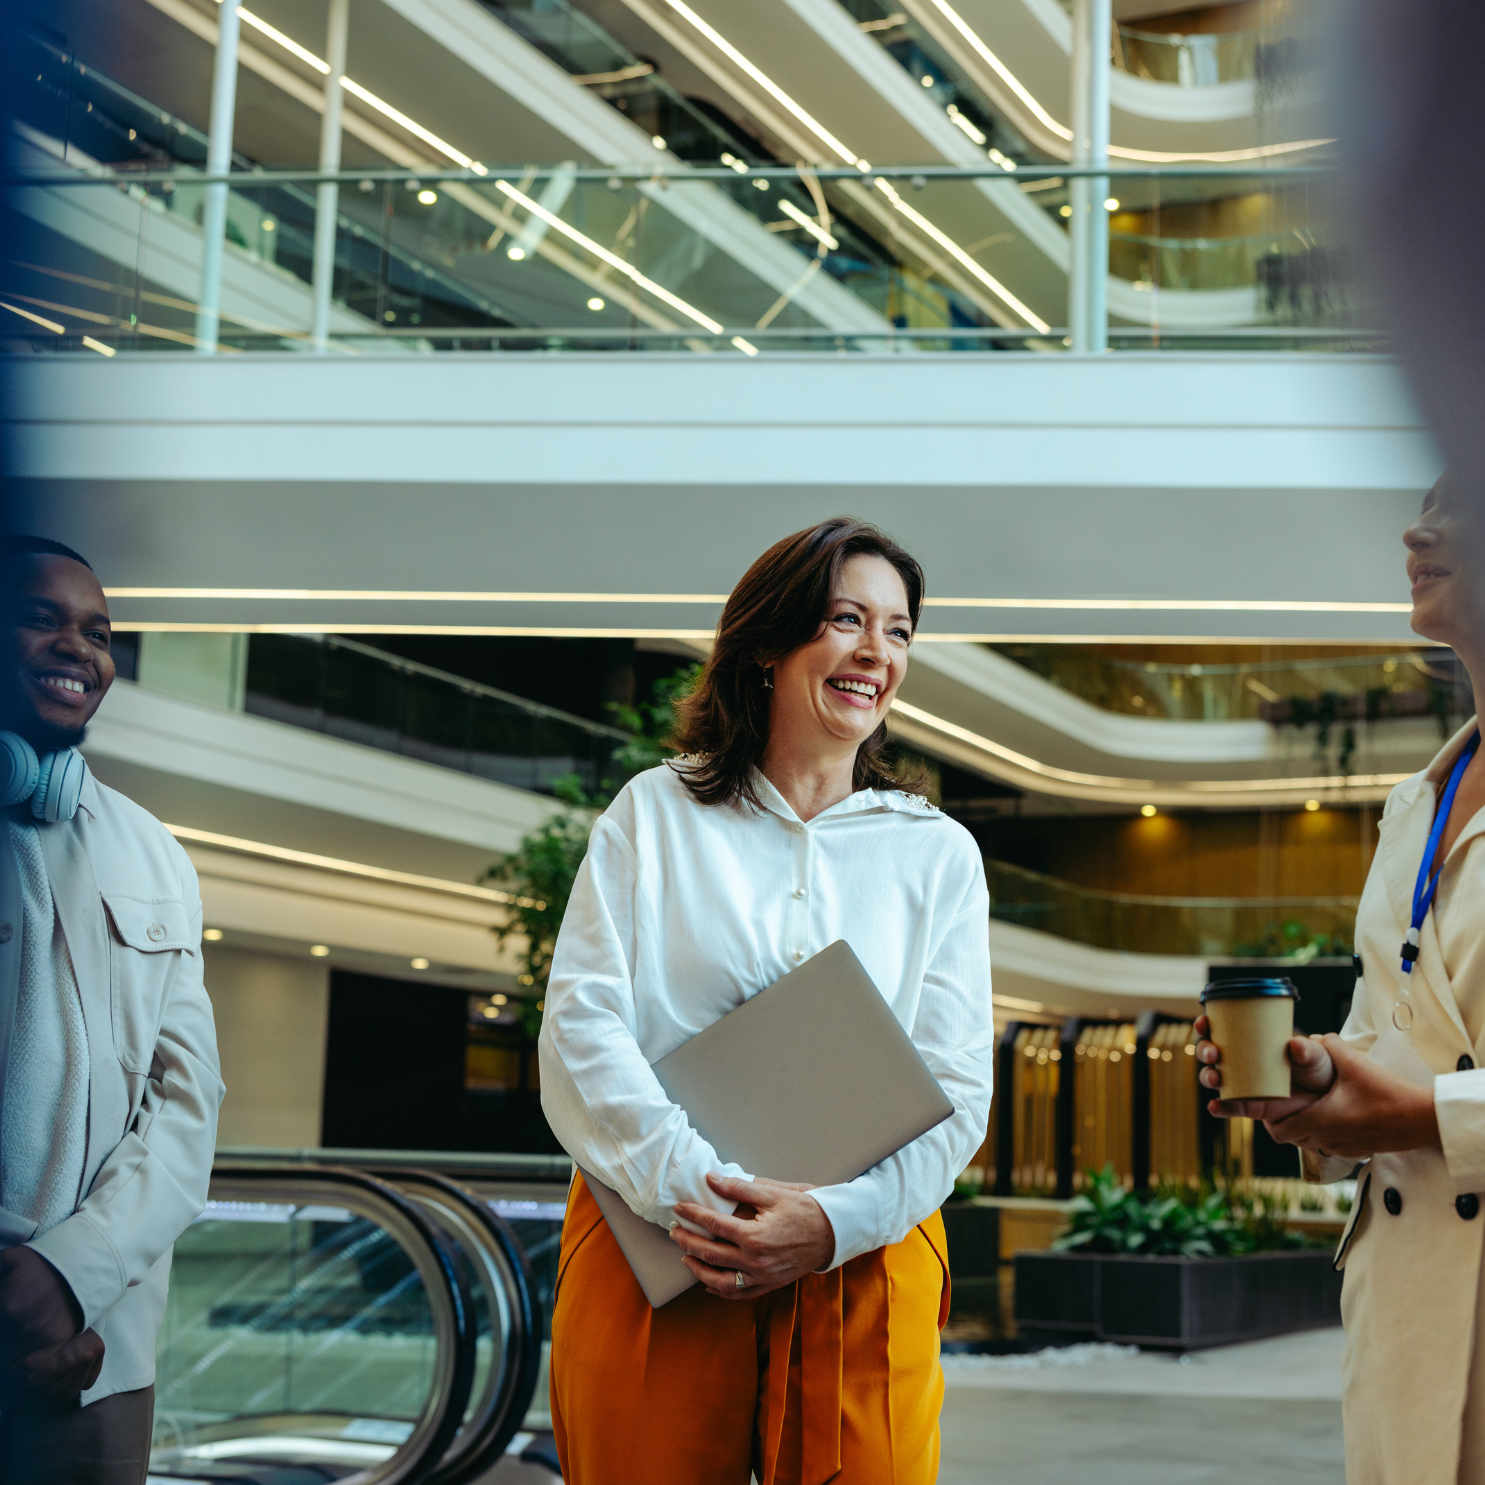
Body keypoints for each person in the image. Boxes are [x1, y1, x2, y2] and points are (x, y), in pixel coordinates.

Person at [538, 517, 994, 1485]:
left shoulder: (937, 853)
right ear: (766, 642)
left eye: (901, 630)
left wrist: (829, 1223)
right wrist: (703, 1200)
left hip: (866, 1254)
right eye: (846, 619)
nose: (878, 652)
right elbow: (583, 1028)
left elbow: (955, 1082)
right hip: (658, 1248)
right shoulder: (654, 815)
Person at [1196, 468, 1485, 1485]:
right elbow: (1389, 1029)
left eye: (1462, 503)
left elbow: (1421, 1091)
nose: (1420, 529)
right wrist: (1319, 1081)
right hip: (1404, 1318)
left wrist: (1417, 1117)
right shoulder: (1416, 803)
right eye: (1424, 502)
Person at [0, 535, 223, 1485]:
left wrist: (66, 1279)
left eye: (98, 631)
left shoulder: (154, 852)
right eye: (43, 616)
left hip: (96, 1353)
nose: (79, 648)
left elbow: (186, 1105)